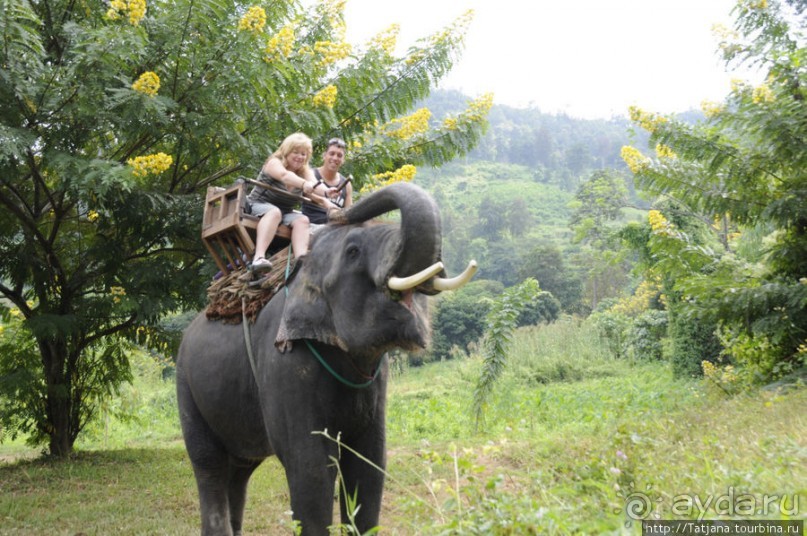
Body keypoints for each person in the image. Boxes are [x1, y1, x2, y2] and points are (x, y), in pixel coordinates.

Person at [248, 133, 335, 272]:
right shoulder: (274, 163)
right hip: (259, 204)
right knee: (274, 212)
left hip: (284, 213)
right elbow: (285, 176)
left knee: (303, 219)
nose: (300, 157)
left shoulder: (304, 172)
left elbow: (315, 184)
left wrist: (327, 192)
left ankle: (301, 262)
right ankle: (258, 257)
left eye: (303, 154)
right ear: (287, 151)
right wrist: (303, 184)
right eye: (296, 152)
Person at [301, 138, 353, 225]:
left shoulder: (346, 185)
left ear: (343, 160)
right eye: (332, 154)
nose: (335, 158)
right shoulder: (311, 174)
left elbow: (349, 213)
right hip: (310, 224)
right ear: (324, 155)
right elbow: (304, 192)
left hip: (335, 228)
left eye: (339, 155)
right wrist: (323, 201)